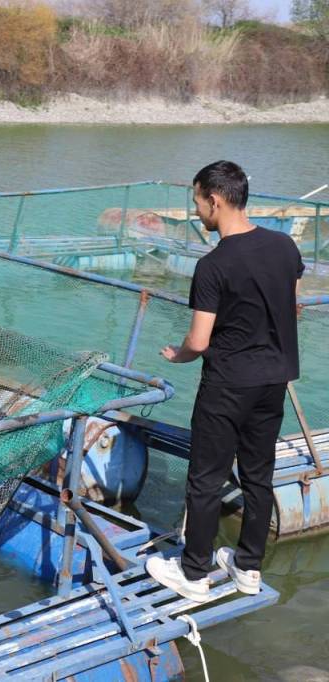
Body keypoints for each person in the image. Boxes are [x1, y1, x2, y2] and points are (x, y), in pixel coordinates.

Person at [146, 161, 304, 603]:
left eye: (197, 201)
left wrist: (179, 354)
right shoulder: (284, 246)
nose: (197, 211)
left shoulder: (213, 265)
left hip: (228, 384)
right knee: (258, 475)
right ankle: (248, 567)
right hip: (273, 379)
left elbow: (199, 340)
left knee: (206, 477)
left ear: (215, 201)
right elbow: (291, 307)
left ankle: (194, 573)